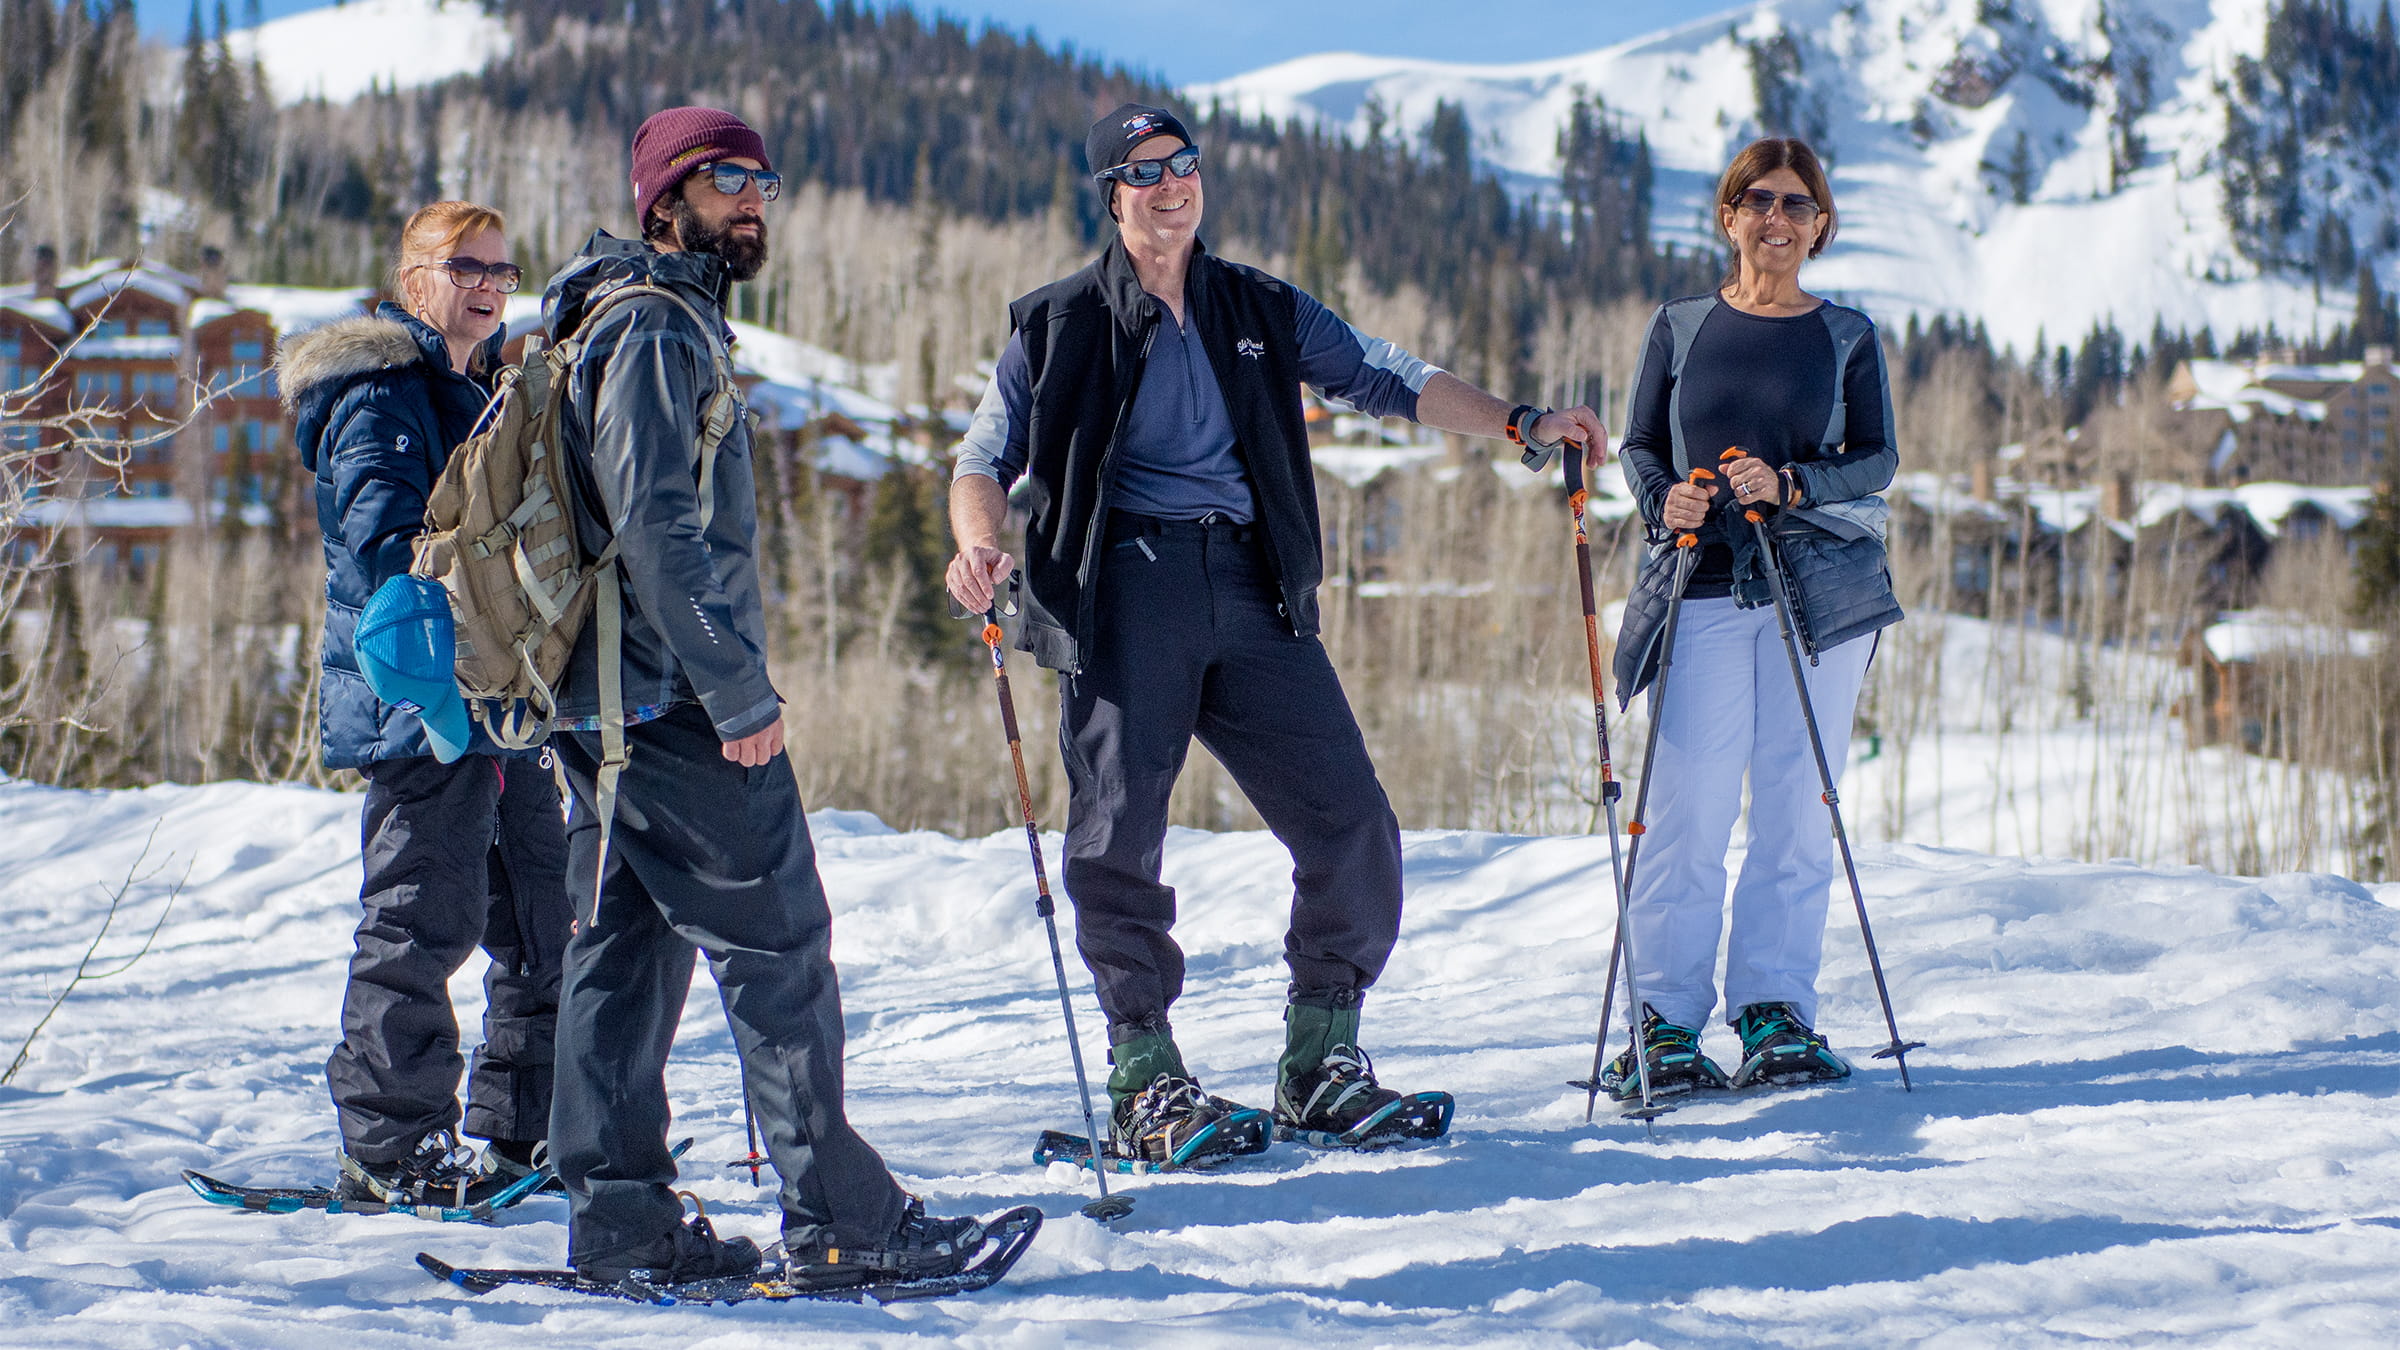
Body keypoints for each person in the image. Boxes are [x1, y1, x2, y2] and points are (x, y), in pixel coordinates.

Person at [945, 103, 1609, 1163]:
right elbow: (981, 459)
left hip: (1257, 592)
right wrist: (978, 547)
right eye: (1148, 171)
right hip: (1125, 594)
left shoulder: (1257, 304)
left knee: (1352, 822)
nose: (1174, 184)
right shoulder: (1056, 321)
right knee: (1119, 839)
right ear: (1113, 194)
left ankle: (1321, 1059)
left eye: (1186, 165)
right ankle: (1144, 1078)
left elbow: (1389, 375)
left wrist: (1521, 423)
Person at [538, 106, 984, 1286]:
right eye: (725, 178)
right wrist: (735, 691)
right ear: (662, 200)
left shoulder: (625, 318)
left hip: (609, 705)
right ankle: (844, 1216)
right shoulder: (652, 329)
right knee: (777, 942)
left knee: (625, 950)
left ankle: (621, 1223)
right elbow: (653, 526)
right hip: (671, 699)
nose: (753, 199)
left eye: (763, 180)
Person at [281, 201, 572, 1203]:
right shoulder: (380, 390)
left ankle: (530, 1130)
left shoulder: (473, 384)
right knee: (422, 917)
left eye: (503, 270)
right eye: (467, 268)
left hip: (501, 697)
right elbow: (381, 547)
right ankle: (389, 1147)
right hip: (417, 697)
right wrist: (438, 661)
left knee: (543, 914)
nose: (490, 287)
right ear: (413, 279)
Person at [1603, 136, 1903, 1100]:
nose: (1777, 219)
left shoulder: (1847, 335)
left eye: (1797, 204)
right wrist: (1665, 504)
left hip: (1815, 595)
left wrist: (1793, 481)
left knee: (1795, 807)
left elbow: (1878, 458)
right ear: (1728, 216)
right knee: (1685, 810)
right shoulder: (1681, 325)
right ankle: (1663, 1023)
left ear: (1820, 224)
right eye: (1758, 201)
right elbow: (1641, 444)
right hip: (1702, 586)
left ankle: (1775, 1011)